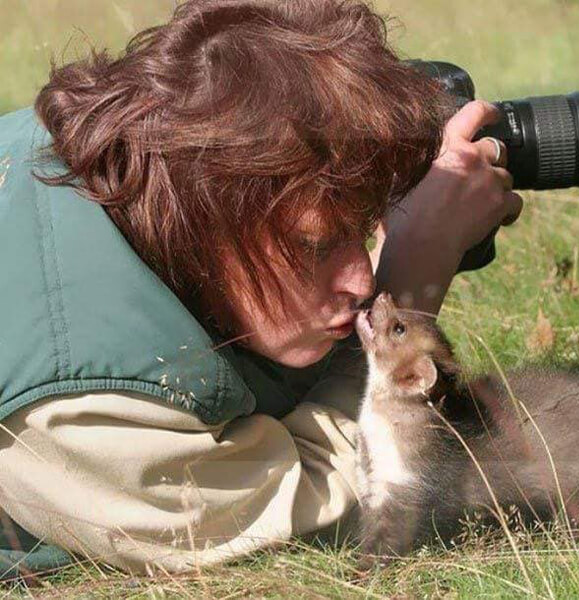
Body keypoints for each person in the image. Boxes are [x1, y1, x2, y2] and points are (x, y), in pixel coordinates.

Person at [0, 0, 522, 577]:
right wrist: (418, 266)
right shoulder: (81, 402)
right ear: (201, 225)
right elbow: (307, 499)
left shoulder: (97, 152)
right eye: (315, 247)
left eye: (362, 231)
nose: (362, 278)